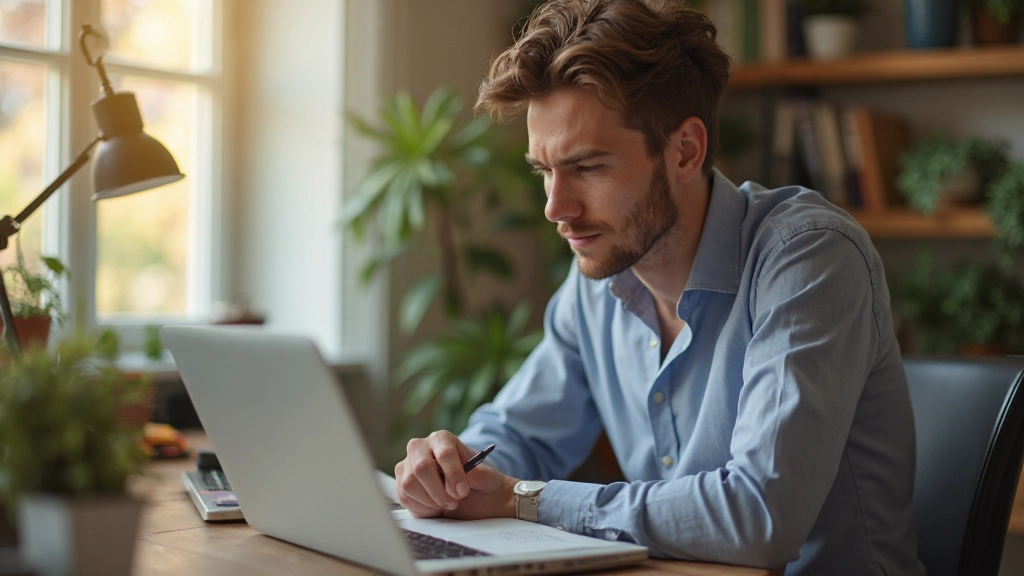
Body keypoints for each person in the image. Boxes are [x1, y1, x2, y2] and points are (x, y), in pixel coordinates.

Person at [394, 1, 925, 573]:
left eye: (589, 167)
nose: (556, 208)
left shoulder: (809, 258)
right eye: (543, 171)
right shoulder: (597, 278)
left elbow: (758, 518)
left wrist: (522, 499)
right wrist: (450, 467)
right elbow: (517, 434)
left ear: (685, 151)